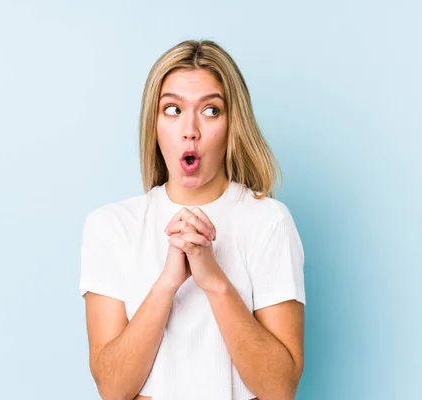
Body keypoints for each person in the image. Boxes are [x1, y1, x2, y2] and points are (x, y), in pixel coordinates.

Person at [79, 39, 306, 400]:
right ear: (153, 124)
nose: (191, 130)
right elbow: (113, 388)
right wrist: (169, 282)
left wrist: (213, 279)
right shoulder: (111, 226)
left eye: (211, 111)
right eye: (172, 109)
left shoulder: (268, 221)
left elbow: (279, 388)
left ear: (234, 124)